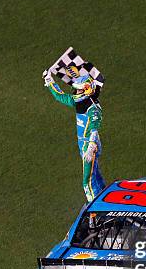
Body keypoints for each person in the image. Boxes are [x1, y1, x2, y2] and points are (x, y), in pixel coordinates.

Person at [42, 67, 106, 202]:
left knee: (87, 182)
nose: (75, 92)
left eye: (77, 90)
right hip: (85, 145)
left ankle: (94, 209)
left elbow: (94, 127)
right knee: (95, 176)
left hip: (89, 146)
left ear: (85, 89)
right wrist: (49, 80)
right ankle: (104, 198)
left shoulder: (92, 107)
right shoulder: (80, 102)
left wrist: (91, 147)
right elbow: (60, 96)